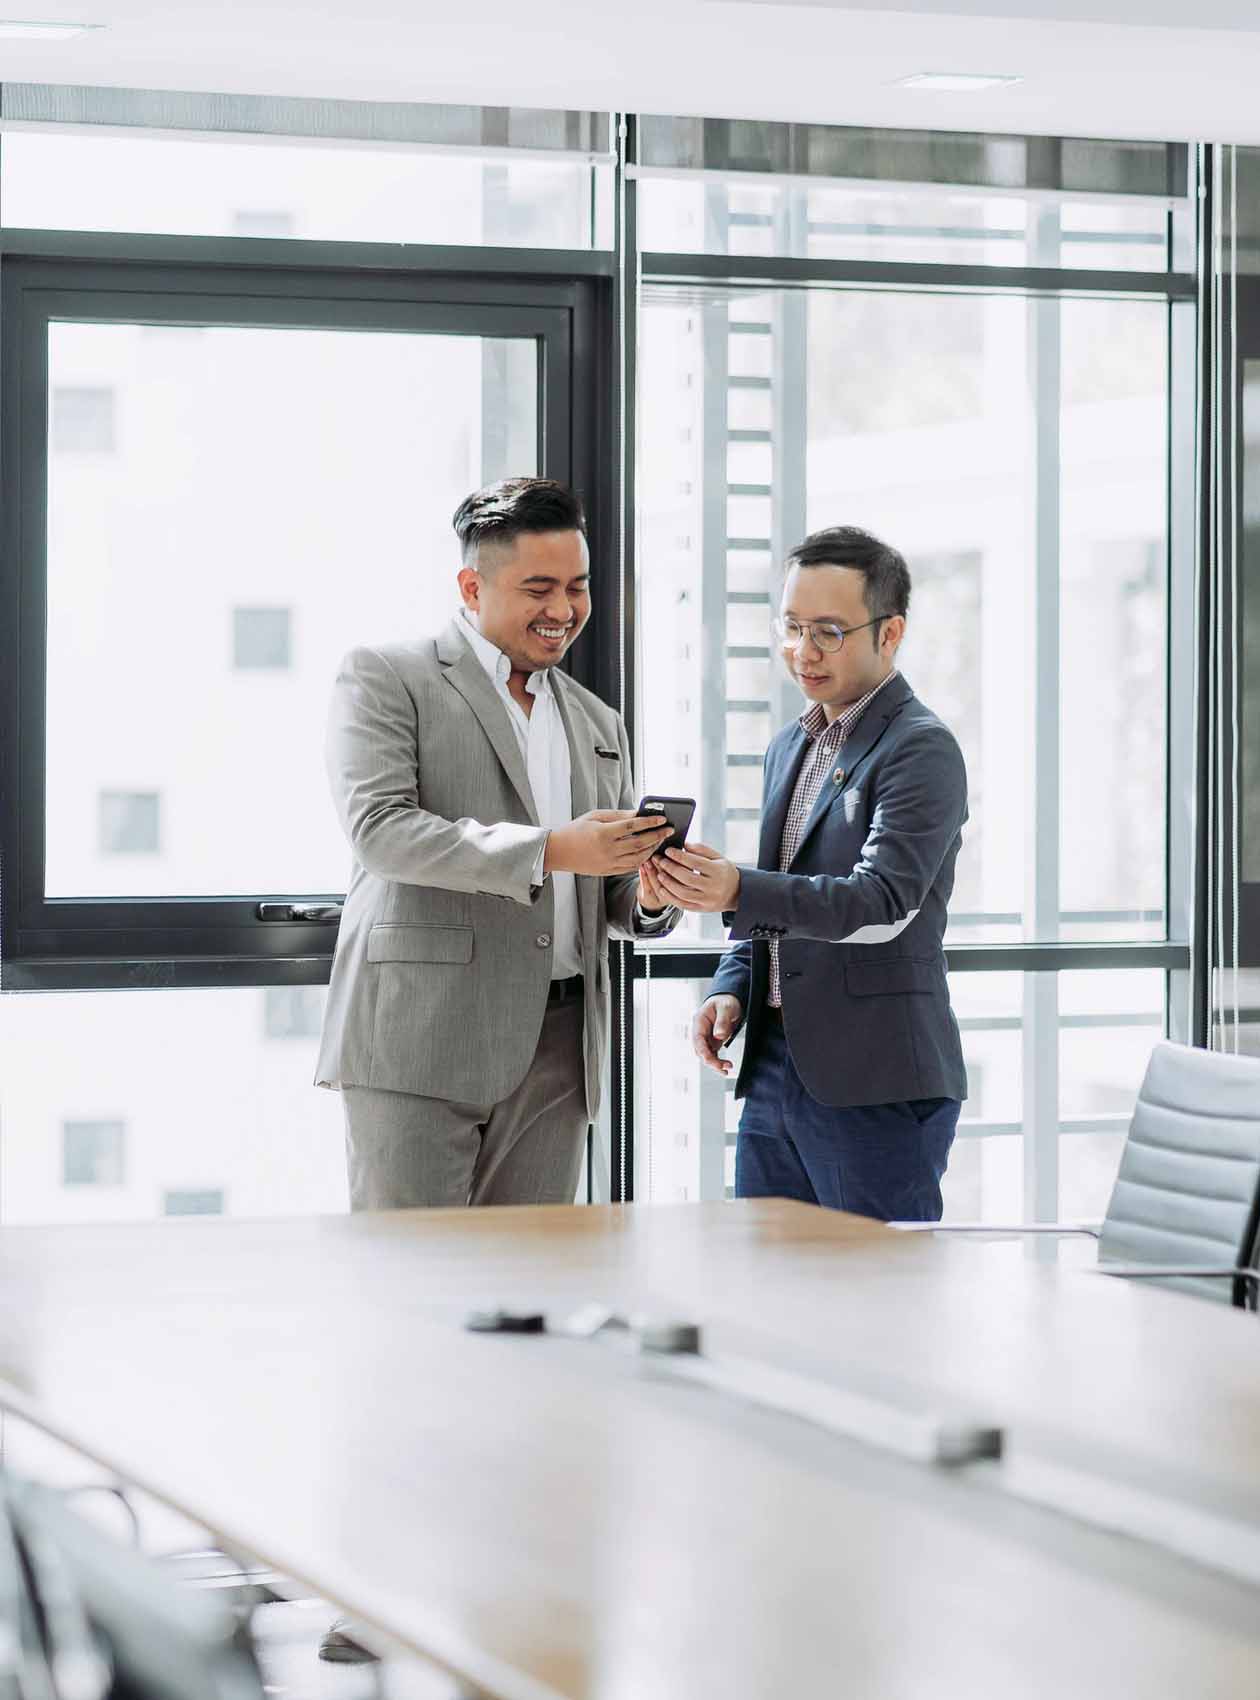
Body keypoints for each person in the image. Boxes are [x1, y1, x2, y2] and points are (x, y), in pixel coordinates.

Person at [315, 477, 679, 1216]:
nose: (564, 610)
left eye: (577, 587)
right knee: (412, 1282)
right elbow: (381, 831)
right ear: (471, 585)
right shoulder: (387, 677)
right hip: (421, 1035)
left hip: (563, 1048)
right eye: (538, 587)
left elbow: (598, 890)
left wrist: (646, 892)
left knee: (532, 1288)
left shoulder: (598, 721)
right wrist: (549, 849)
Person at [652, 525, 968, 1223]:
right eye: (791, 627)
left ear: (891, 634)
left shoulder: (921, 749)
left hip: (874, 1082)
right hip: (772, 1070)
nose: (802, 651)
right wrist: (733, 987)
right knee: (775, 1297)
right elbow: (779, 898)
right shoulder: (790, 746)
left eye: (827, 631)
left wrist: (735, 888)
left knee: (876, 1308)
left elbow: (882, 902)